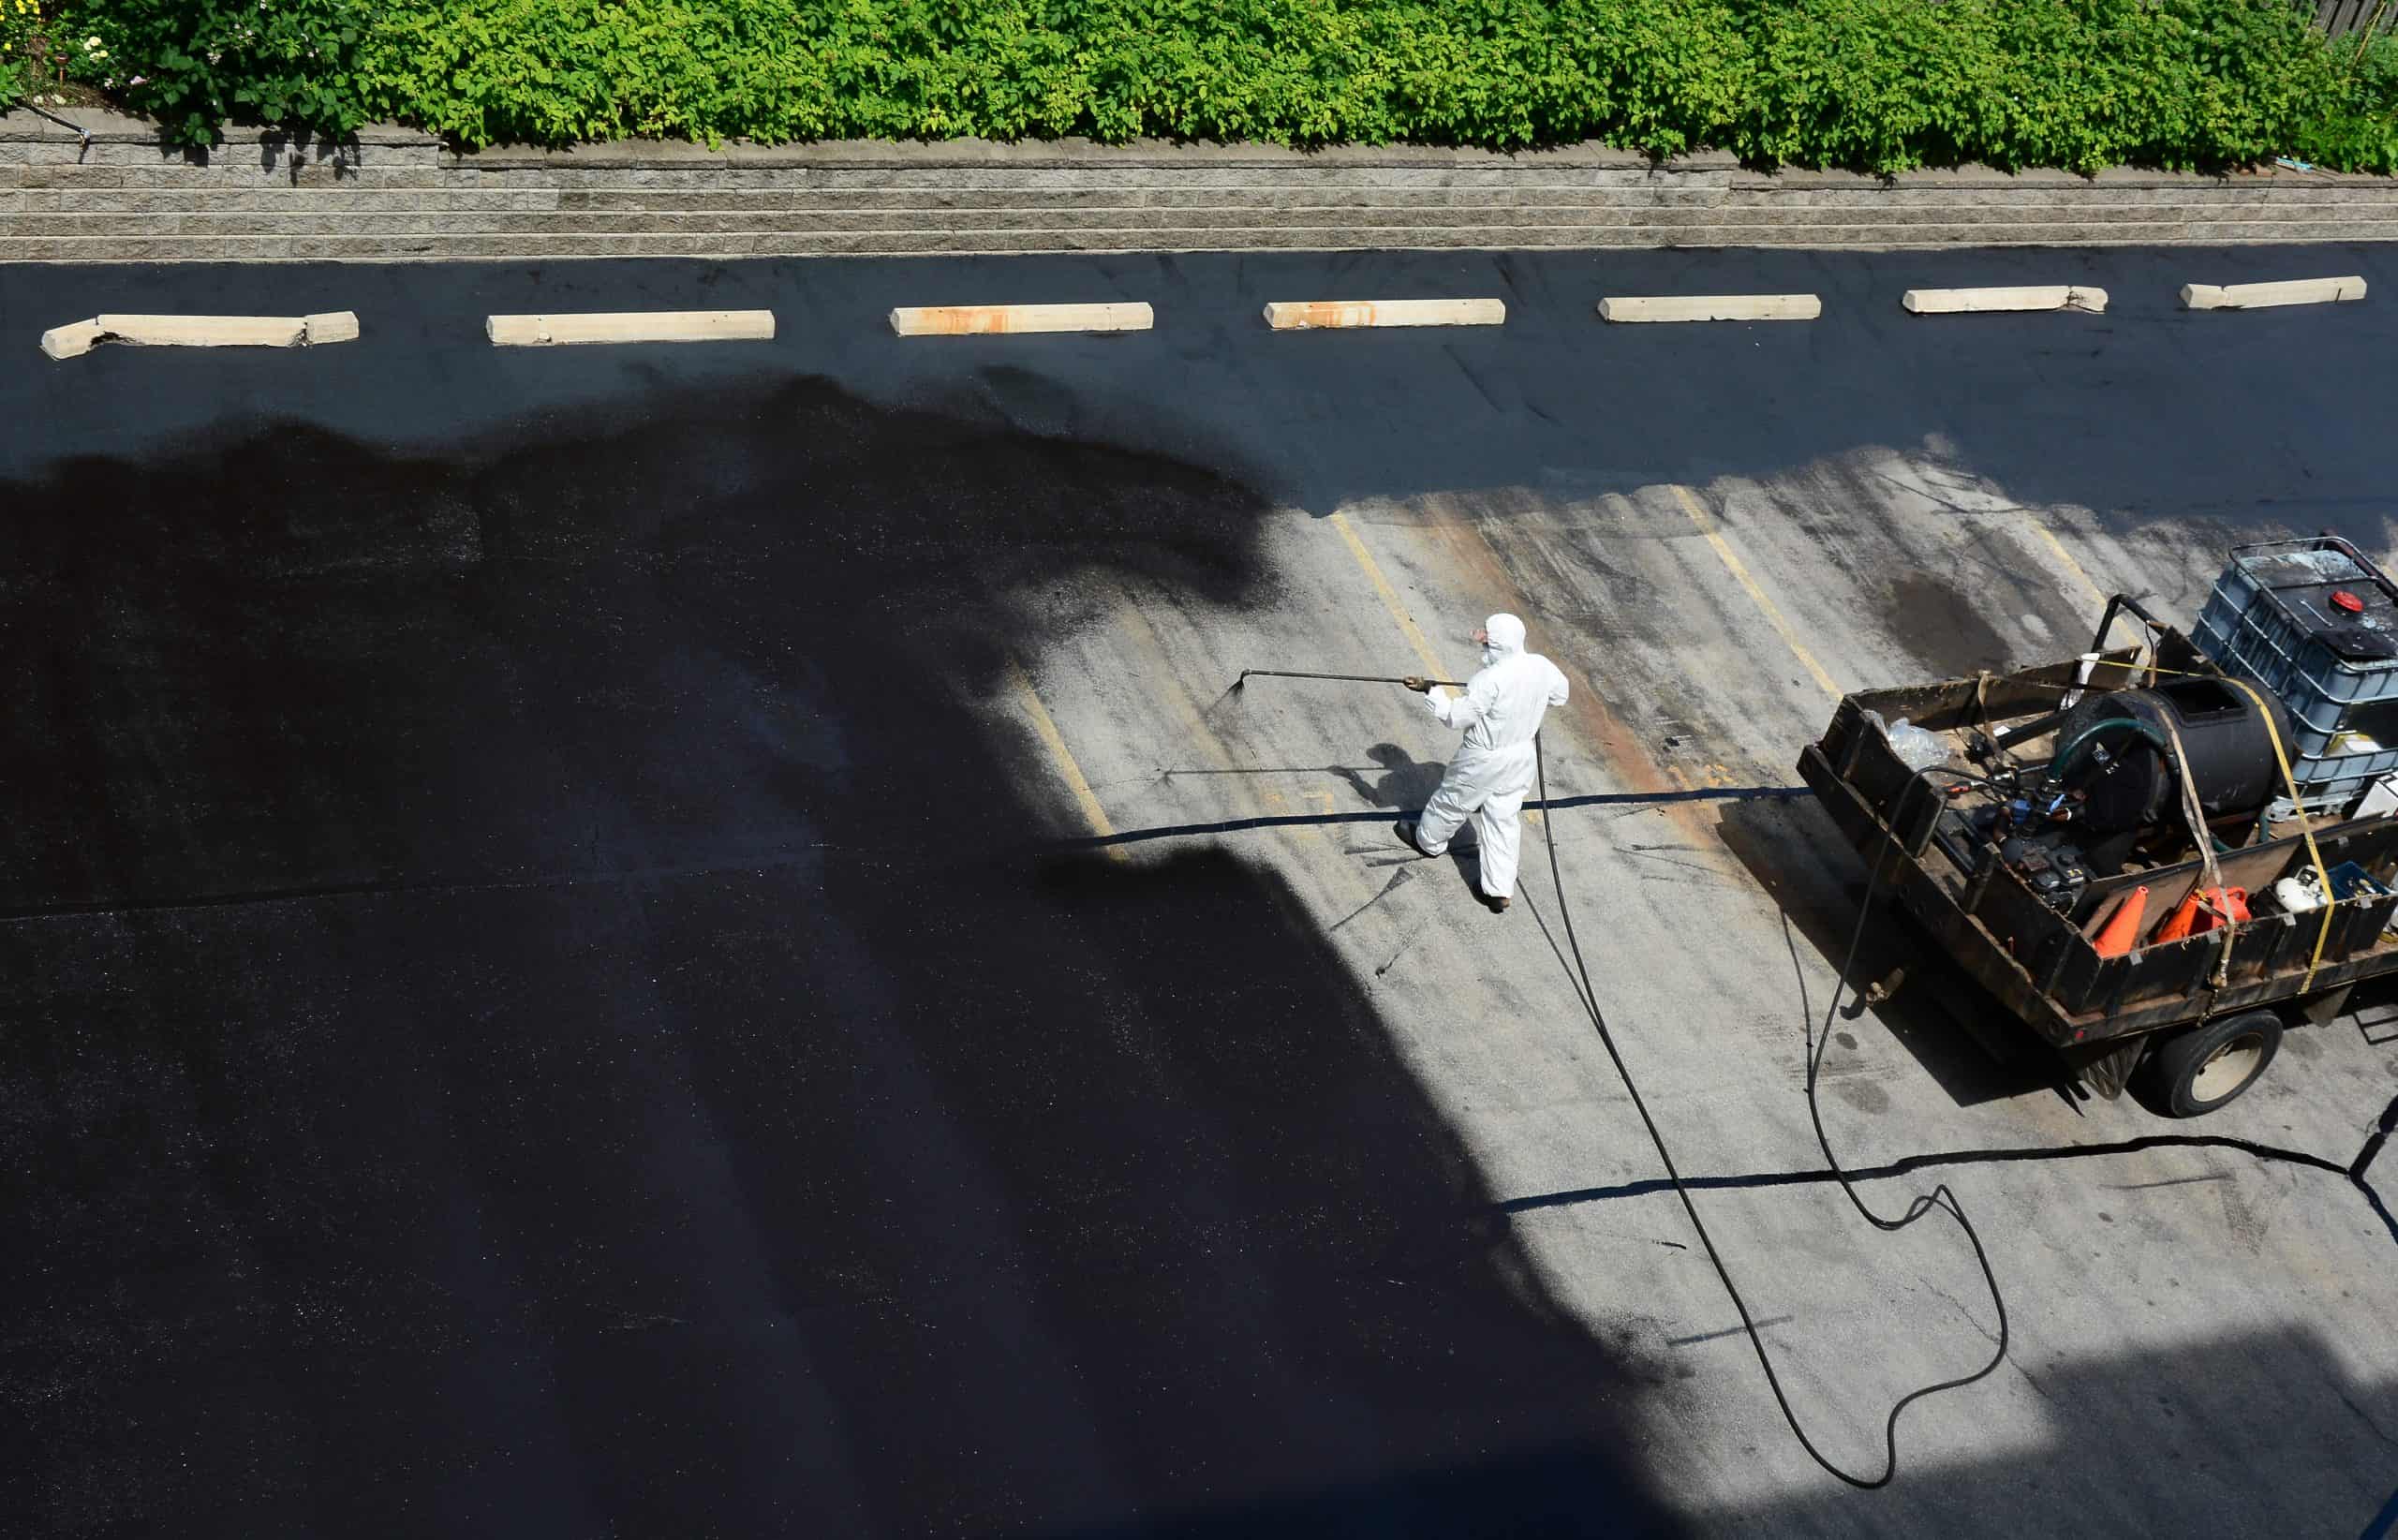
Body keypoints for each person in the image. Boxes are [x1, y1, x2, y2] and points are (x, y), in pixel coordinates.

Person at [1395, 614, 1570, 912]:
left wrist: (1430, 690)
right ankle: (1499, 890)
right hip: (1520, 757)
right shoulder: (1542, 666)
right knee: (1503, 818)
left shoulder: (1488, 680)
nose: (1483, 648)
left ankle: (1428, 842)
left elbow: (1455, 717)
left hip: (1484, 759)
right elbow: (1559, 696)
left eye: (1487, 642)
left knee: (1451, 802)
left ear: (1499, 645)